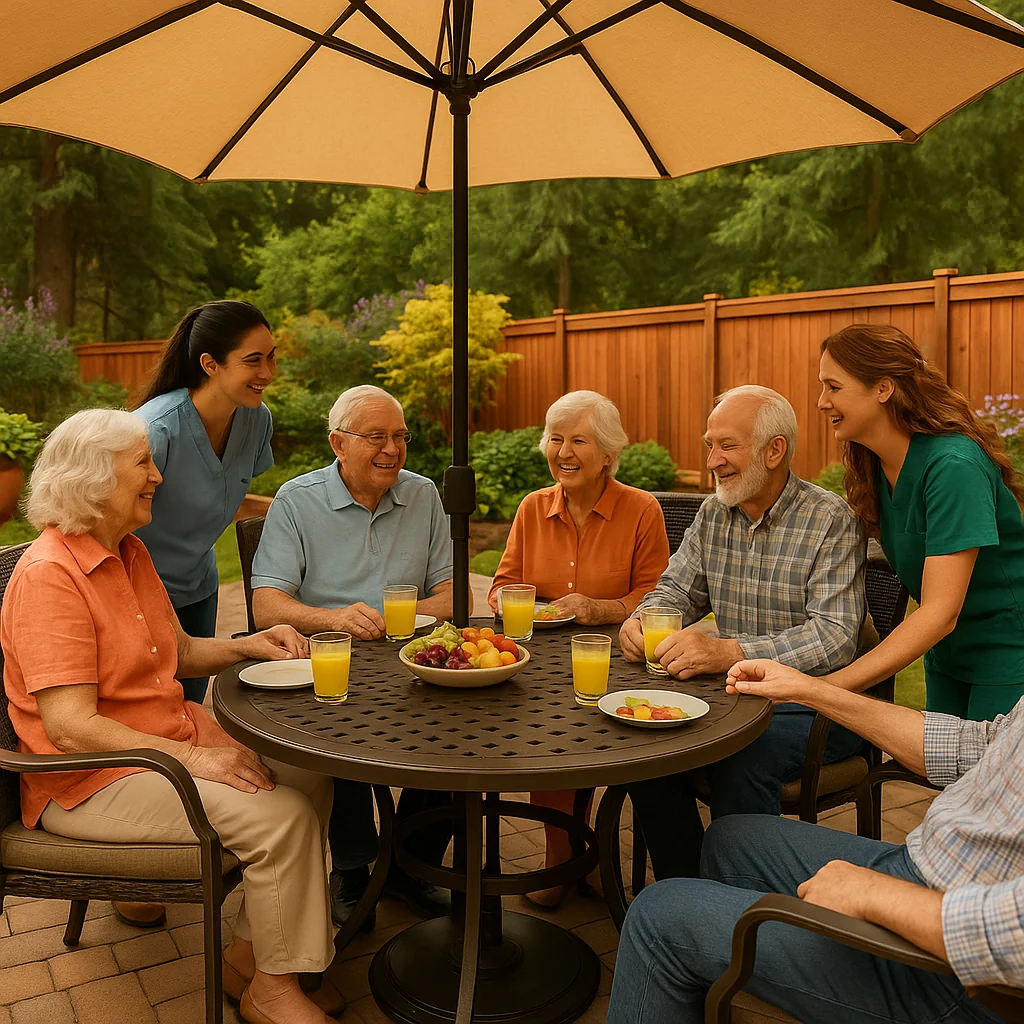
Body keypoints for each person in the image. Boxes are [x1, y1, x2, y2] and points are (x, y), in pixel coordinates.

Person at [1, 410, 341, 1024]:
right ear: (94, 478)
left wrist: (246, 646)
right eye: (143, 463)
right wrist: (194, 758)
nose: (158, 475)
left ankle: (253, 958)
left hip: (162, 744)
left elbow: (176, 650)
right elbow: (70, 724)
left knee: (307, 773)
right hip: (89, 778)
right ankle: (273, 991)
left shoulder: (127, 551)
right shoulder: (50, 576)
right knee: (282, 815)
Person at [607, 655, 1023, 1024]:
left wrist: (879, 896)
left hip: (966, 976)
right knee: (731, 840)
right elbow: (980, 747)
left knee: (658, 917)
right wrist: (808, 689)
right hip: (936, 867)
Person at [619, 385, 869, 877]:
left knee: (741, 757)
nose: (712, 460)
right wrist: (642, 618)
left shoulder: (830, 519)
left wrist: (729, 650)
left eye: (726, 446)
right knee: (643, 749)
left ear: (774, 450)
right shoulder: (714, 514)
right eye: (709, 445)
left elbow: (835, 636)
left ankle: (748, 905)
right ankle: (690, 888)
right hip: (732, 699)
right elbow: (675, 590)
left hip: (817, 706)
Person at [251, 384, 455, 930]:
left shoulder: (424, 494)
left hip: (411, 659)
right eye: (376, 437)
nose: (392, 449)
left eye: (400, 436)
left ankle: (413, 865)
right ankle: (353, 868)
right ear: (339, 443)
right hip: (332, 660)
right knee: (335, 728)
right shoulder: (297, 500)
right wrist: (334, 618)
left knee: (464, 729)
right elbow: (265, 603)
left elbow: (453, 595)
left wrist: (406, 620)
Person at [488, 390, 670, 907]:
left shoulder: (642, 510)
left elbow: (656, 596)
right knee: (541, 728)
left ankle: (576, 854)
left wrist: (598, 609)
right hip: (540, 658)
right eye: (555, 438)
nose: (562, 451)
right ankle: (562, 855)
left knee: (586, 731)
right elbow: (502, 585)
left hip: (617, 657)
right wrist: (513, 602)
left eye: (578, 440)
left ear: (608, 454)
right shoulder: (532, 508)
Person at [816, 323, 1024, 720]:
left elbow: (939, 612)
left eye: (833, 387)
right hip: (946, 655)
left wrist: (829, 688)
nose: (821, 402)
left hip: (1008, 654)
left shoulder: (952, 466)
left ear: (883, 388)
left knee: (992, 779)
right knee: (947, 779)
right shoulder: (874, 466)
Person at [134, 300, 276, 705]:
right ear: (211, 364)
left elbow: (229, 493)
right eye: (253, 361)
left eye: (270, 357)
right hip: (139, 594)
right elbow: (106, 527)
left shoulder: (256, 419)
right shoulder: (154, 431)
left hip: (198, 587)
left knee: (192, 709)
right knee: (150, 712)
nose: (267, 373)